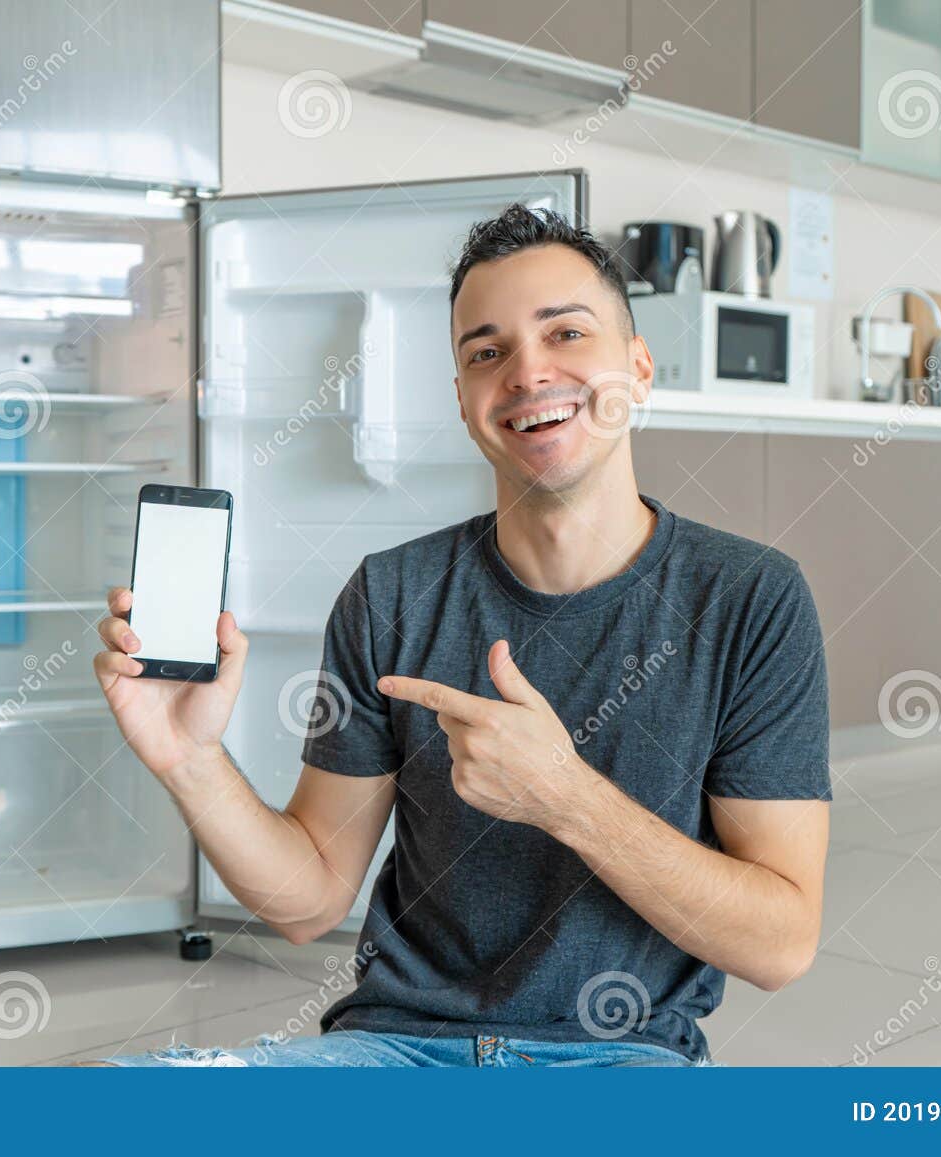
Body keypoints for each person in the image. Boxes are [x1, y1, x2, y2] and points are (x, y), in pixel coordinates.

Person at [86, 205, 831, 1068]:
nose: (527, 372)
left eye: (565, 333)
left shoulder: (749, 598)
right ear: (465, 402)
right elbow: (307, 900)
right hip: (393, 1054)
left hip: (622, 1061)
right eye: (487, 352)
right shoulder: (393, 594)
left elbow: (781, 942)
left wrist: (565, 795)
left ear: (637, 368)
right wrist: (189, 758)